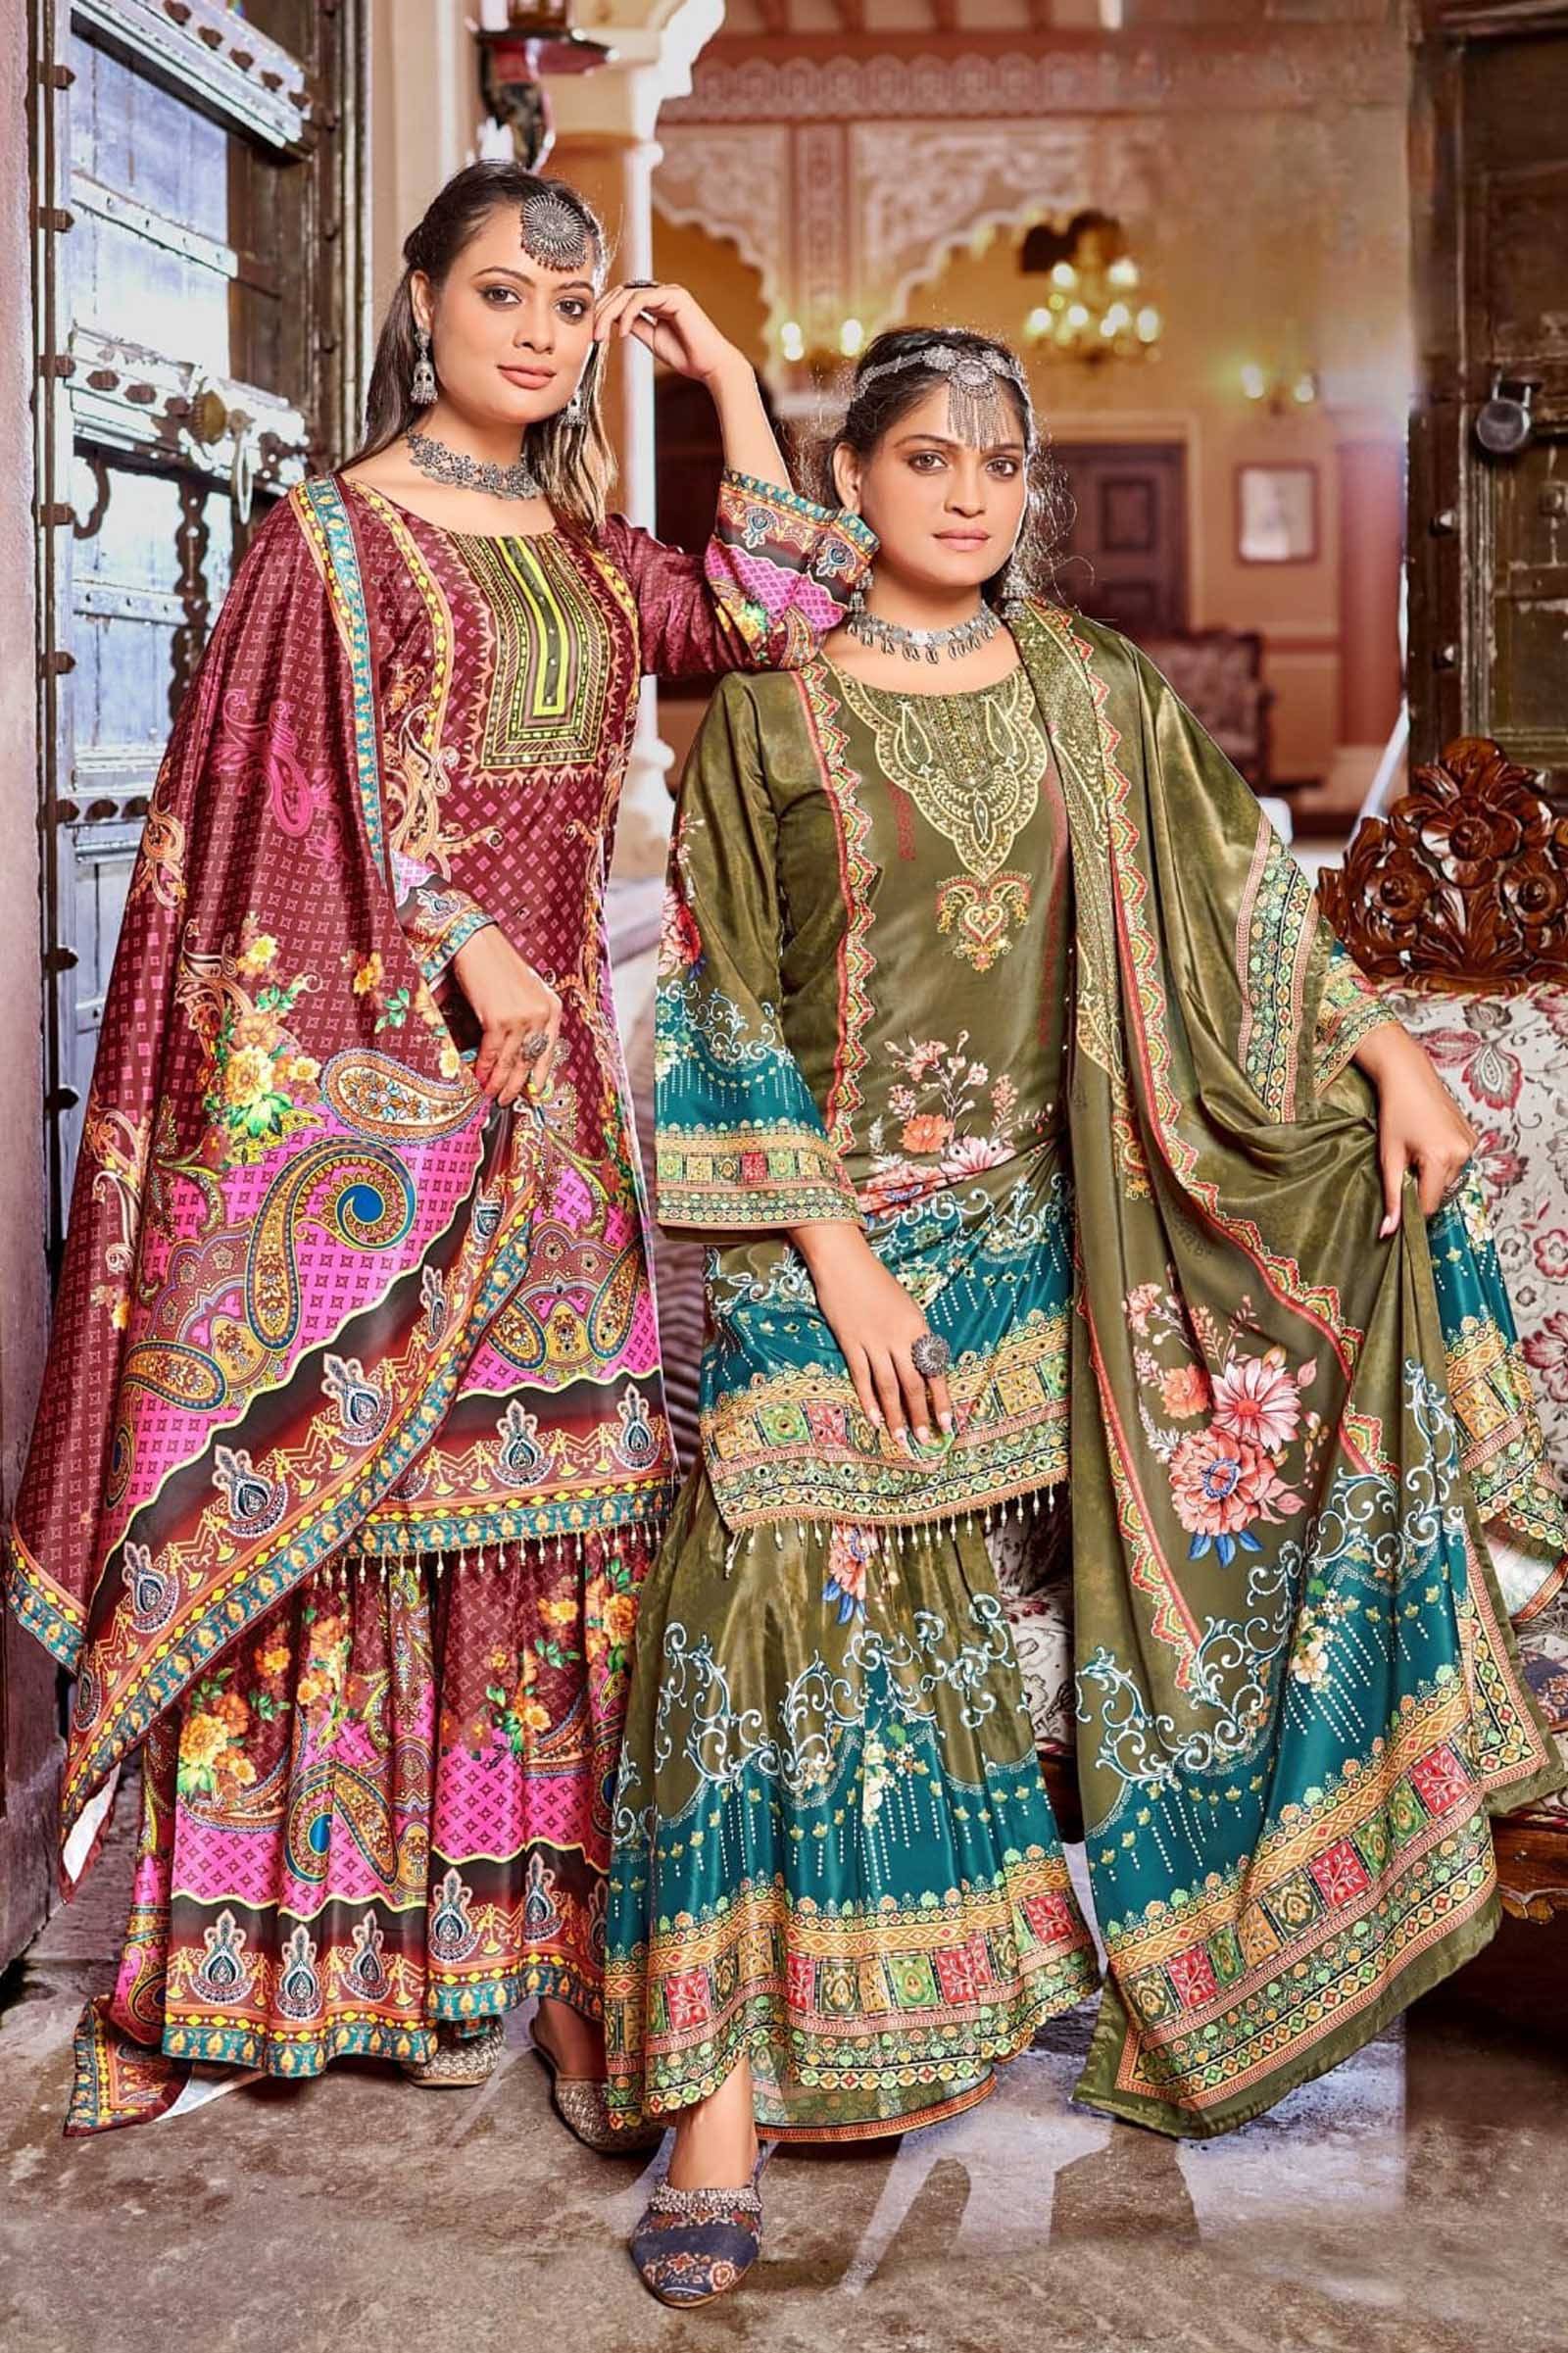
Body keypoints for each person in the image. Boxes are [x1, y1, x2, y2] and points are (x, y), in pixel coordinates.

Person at [603, 325, 1566, 2305]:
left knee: (1295, 1317)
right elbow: (721, 1000)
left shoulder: (1092, 689)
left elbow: (1244, 909)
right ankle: (715, 2102)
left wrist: (1385, 1051)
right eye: (928, 459)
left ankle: (1057, 1957)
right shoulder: (770, 712)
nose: (970, 495)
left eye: (1000, 465)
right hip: (826, 1238)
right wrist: (834, 1255)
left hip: (1057, 1238)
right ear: (850, 480)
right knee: (759, 1548)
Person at [5, 160, 872, 2140]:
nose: (539, 333)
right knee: (347, 1513)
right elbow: (292, 810)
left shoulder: (588, 552)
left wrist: (725, 383)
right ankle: (283, 1964)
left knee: (557, 1516)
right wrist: (459, 932)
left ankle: (538, 1960)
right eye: (502, 293)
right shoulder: (325, 541)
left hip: (555, 1143)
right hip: (374, 1117)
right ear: (420, 301)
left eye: (570, 306)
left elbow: (783, 614)